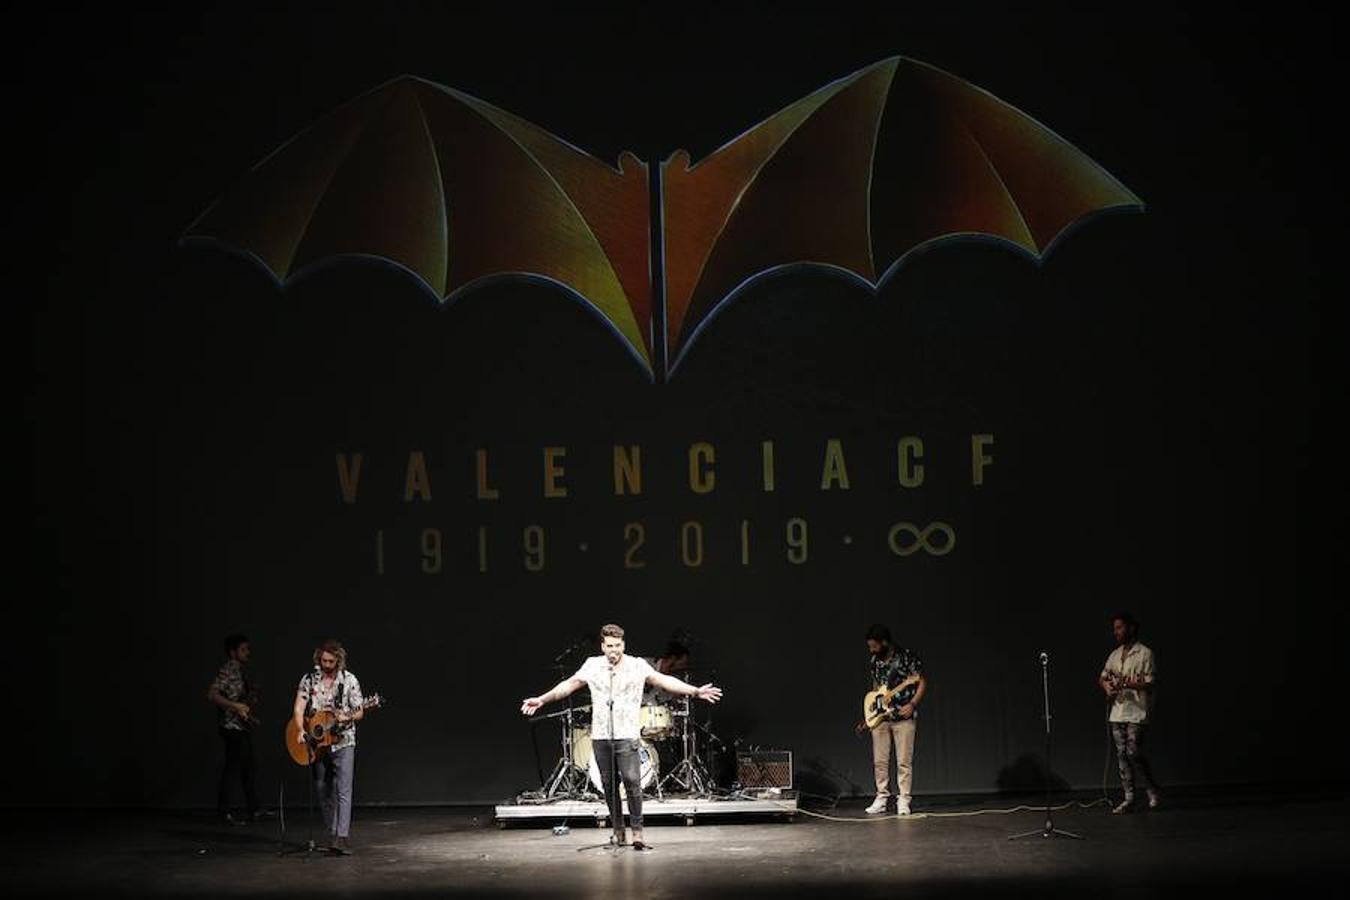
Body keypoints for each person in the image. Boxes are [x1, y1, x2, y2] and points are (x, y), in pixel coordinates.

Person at [521, 623, 723, 850]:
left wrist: (695, 691)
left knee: (632, 783)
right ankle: (618, 831)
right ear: (602, 646)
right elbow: (568, 686)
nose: (613, 650)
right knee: (608, 786)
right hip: (601, 735)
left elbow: (664, 680)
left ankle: (637, 832)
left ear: (623, 645)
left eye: (617, 645)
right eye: (609, 646)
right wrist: (542, 699)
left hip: (627, 734)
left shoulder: (637, 666)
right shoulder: (592, 665)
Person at [292, 639, 364, 854]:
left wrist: (346, 716)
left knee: (343, 789)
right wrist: (299, 729)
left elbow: (359, 711)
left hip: (343, 740)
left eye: (331, 661)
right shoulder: (309, 679)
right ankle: (332, 833)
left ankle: (342, 837)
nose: (326, 665)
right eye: (323, 660)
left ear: (338, 661)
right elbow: (298, 707)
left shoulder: (349, 680)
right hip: (318, 742)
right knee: (322, 788)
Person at [857, 623, 927, 816]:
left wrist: (912, 704)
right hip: (881, 718)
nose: (871, 650)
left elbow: (921, 681)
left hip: (903, 716)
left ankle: (904, 799)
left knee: (904, 761)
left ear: (885, 642)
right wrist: (870, 714)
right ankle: (881, 797)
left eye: (874, 646)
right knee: (880, 761)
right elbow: (877, 687)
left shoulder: (906, 657)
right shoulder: (875, 661)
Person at [1098, 612, 1160, 813]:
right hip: (1117, 711)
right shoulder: (1114, 655)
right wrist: (1107, 687)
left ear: (1131, 628)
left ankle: (1151, 788)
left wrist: (1130, 683)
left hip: (1136, 711)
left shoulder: (1145, 653)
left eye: (1120, 627)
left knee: (1134, 751)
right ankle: (1129, 797)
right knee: (1122, 754)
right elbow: (1103, 677)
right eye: (1115, 628)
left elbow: (1150, 683)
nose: (1116, 632)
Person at [207, 633, 269, 824]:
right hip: (230, 727)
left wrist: (249, 715)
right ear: (233, 652)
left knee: (248, 767)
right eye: (243, 649)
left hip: (240, 726)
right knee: (233, 769)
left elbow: (241, 701)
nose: (247, 652)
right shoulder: (228, 670)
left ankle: (254, 809)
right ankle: (224, 812)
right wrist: (236, 707)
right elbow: (212, 694)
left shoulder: (240, 671)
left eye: (247, 649)